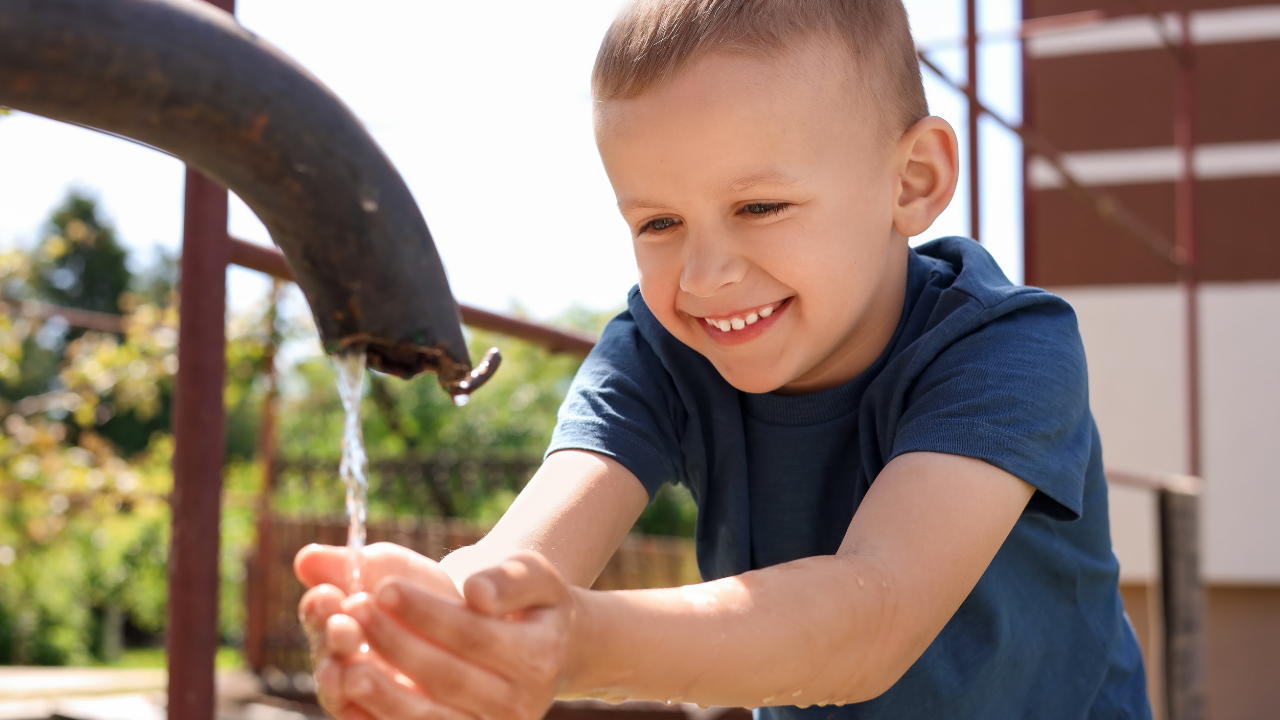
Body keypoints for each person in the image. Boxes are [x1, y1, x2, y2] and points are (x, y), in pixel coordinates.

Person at [295, 1, 1152, 718]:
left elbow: (874, 614)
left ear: (913, 181)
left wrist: (576, 643)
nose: (705, 277)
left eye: (760, 205)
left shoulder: (1005, 348)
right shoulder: (661, 353)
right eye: (657, 223)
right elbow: (531, 552)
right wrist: (435, 624)